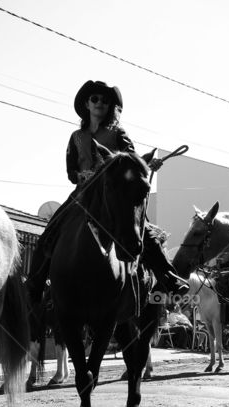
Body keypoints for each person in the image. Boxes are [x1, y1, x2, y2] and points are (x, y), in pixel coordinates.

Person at [26, 80, 189, 311]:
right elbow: (71, 171)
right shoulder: (76, 136)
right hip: (82, 194)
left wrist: (149, 163)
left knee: (145, 232)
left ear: (110, 106)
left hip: (115, 193)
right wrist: (80, 175)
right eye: (95, 99)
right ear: (87, 104)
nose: (100, 103)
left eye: (104, 100)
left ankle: (170, 279)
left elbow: (135, 161)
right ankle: (34, 286)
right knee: (49, 232)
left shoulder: (118, 132)